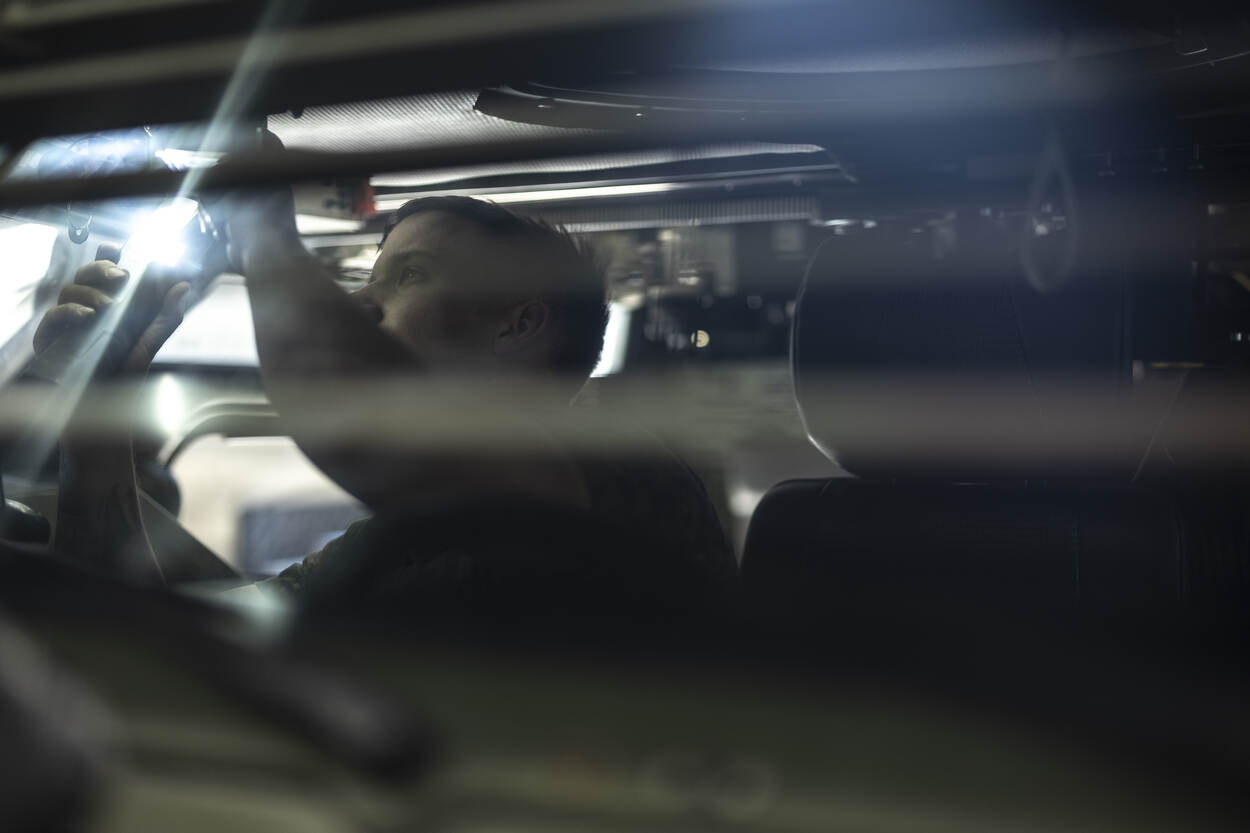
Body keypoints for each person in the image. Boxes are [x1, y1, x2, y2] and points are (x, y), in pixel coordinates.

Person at [35, 185, 734, 608]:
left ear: (518, 324)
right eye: (370, 277)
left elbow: (338, 403)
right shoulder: (397, 538)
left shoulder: (620, 471)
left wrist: (262, 228)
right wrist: (98, 415)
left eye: (411, 276)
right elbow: (178, 643)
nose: (361, 302)